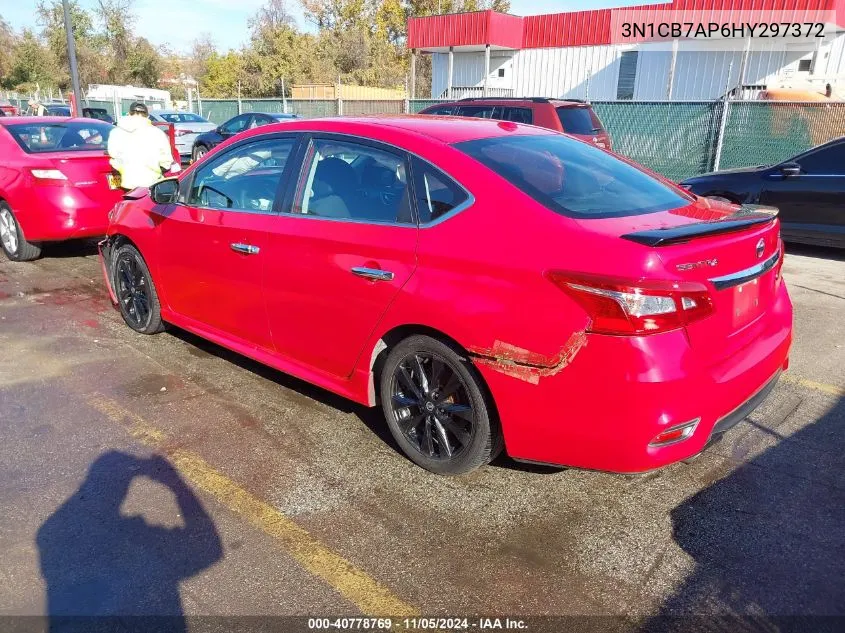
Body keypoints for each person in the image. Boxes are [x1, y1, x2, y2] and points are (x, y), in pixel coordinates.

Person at [107, 102, 180, 190]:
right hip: (152, 182)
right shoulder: (156, 133)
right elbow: (166, 161)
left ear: (129, 114)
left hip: (128, 182)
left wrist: (124, 169)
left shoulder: (116, 132)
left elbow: (114, 156)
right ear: (147, 116)